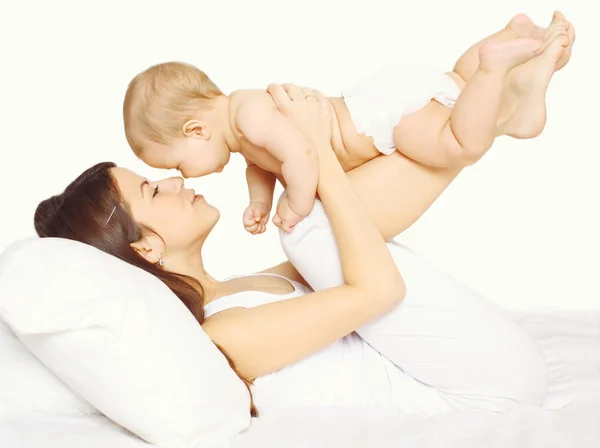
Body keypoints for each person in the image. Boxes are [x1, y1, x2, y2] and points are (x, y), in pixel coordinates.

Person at [34, 83, 546, 417]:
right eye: (151, 190)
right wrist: (315, 149)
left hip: (474, 369)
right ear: (145, 246)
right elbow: (380, 289)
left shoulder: (238, 293)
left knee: (315, 229)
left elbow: (363, 234)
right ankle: (468, 126)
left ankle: (471, 122)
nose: (171, 182)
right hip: (480, 394)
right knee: (306, 229)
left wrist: (320, 150)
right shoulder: (224, 333)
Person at [122, 12, 574, 233]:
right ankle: (512, 40)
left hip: (380, 121)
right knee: (455, 80)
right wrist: (260, 200)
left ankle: (495, 67)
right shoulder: (243, 130)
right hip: (381, 100)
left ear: (195, 131)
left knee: (460, 143)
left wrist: (296, 204)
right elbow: (263, 165)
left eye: (179, 166)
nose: (184, 176)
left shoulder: (249, 113)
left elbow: (300, 154)